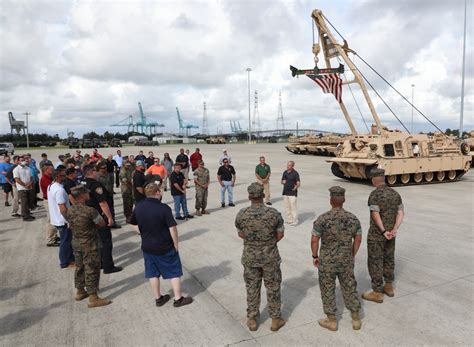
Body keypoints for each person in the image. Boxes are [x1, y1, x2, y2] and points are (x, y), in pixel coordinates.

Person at [130, 182, 193, 308]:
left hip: (147, 247)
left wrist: (142, 233)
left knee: (152, 273)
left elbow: (133, 224)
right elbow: (172, 228)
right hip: (165, 246)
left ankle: (158, 298)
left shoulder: (138, 207)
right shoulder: (163, 208)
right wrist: (176, 244)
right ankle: (178, 298)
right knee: (174, 272)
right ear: (157, 193)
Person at [235, 183, 285, 332]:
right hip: (270, 257)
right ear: (263, 196)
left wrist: (253, 242)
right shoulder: (273, 214)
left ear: (249, 196)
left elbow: (241, 233)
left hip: (250, 257)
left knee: (252, 287)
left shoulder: (242, 214)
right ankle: (275, 319)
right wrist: (268, 243)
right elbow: (280, 234)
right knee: (273, 287)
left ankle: (252, 319)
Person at [311, 186, 362, 331]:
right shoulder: (353, 218)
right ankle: (356, 319)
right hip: (346, 260)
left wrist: (315, 256)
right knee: (349, 287)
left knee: (327, 288)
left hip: (327, 261)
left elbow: (314, 240)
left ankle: (332, 320)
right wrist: (352, 254)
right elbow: (358, 239)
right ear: (343, 200)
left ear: (330, 200)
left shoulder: (322, 219)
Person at [362, 168, 404, 303]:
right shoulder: (395, 194)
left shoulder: (375, 195)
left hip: (377, 235)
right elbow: (401, 213)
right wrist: (395, 229)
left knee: (375, 260)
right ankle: (389, 286)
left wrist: (383, 231)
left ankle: (377, 292)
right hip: (392, 235)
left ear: (374, 180)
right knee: (389, 258)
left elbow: (375, 214)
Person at [67, 185, 112, 308]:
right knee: (92, 269)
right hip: (90, 244)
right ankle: (93, 297)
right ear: (81, 195)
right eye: (86, 193)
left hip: (76, 243)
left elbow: (70, 225)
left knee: (80, 267)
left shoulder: (70, 210)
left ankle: (80, 291)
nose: (88, 194)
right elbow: (101, 224)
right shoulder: (90, 211)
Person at [84, 164, 122, 274]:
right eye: (96, 171)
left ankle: (100, 262)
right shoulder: (96, 185)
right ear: (92, 172)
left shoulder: (83, 182)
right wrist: (110, 218)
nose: (97, 173)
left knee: (97, 241)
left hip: (89, 216)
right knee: (106, 242)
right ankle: (108, 266)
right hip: (98, 216)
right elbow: (103, 203)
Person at [48, 167, 75, 269]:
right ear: (58, 176)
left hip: (56, 218)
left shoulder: (51, 185)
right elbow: (62, 208)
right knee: (65, 242)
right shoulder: (59, 190)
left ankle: (70, 258)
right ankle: (65, 262)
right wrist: (69, 220)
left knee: (66, 240)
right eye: (63, 175)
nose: (65, 177)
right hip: (62, 220)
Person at [39, 164, 60, 247]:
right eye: (51, 169)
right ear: (46, 170)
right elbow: (52, 189)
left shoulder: (49, 177)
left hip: (51, 200)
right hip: (48, 201)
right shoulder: (44, 179)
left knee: (53, 218)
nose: (53, 170)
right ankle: (50, 239)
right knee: (51, 220)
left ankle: (54, 236)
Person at [13, 156, 35, 221]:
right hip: (22, 189)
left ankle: (28, 214)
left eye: (24, 160)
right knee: (24, 203)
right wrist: (25, 185)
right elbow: (17, 179)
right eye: (22, 160)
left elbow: (31, 177)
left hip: (29, 188)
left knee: (28, 202)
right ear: (18, 161)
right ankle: (25, 217)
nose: (23, 161)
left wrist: (30, 183)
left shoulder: (28, 168)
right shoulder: (16, 169)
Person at [281, 161, 300, 226]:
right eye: (287, 165)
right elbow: (282, 181)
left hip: (292, 193)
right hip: (285, 192)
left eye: (289, 165)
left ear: (292, 166)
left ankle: (295, 221)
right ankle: (289, 220)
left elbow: (298, 183)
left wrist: (295, 188)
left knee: (293, 208)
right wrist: (282, 182)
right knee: (287, 207)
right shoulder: (285, 172)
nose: (288, 166)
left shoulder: (295, 173)